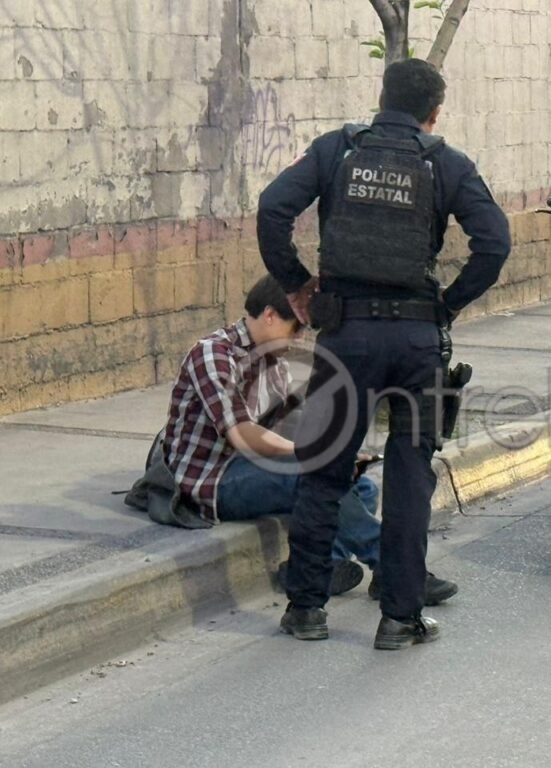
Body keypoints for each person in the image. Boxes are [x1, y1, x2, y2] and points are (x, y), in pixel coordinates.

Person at [258, 58, 510, 648]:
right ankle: (400, 618)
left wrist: (296, 283)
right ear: (434, 112)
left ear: (382, 97)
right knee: (409, 475)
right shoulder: (447, 162)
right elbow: (495, 244)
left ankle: (306, 609)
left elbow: (272, 209)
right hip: (417, 341)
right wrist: (449, 304)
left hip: (346, 335)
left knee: (324, 472)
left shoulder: (336, 150)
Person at [162, 274, 458, 602]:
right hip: (213, 479)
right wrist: (308, 453)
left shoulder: (273, 360)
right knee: (318, 479)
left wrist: (340, 452)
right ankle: (397, 570)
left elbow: (291, 424)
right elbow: (243, 434)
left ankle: (314, 568)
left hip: (255, 466)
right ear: (270, 315)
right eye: (296, 327)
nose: (300, 337)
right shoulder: (213, 354)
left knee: (362, 486)